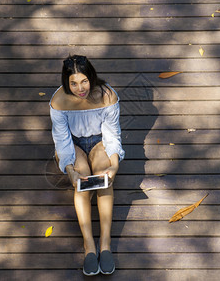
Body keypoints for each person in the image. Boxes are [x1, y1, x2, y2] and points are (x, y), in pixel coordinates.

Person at [49, 55, 125, 276]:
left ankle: (106, 244)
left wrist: (114, 165)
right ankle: (89, 245)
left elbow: (112, 135)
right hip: (74, 145)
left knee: (103, 178)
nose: (79, 88)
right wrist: (70, 170)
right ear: (67, 82)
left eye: (84, 81)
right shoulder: (58, 101)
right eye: (73, 83)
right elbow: (62, 141)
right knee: (81, 180)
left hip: (100, 141)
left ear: (91, 77)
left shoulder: (107, 95)